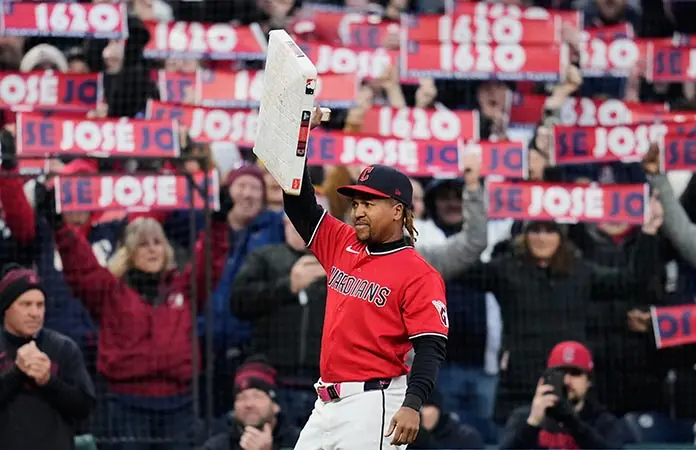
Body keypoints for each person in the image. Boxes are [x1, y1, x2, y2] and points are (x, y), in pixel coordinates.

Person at [276, 107, 449, 449]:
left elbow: (431, 346)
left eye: (369, 203)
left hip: (375, 401)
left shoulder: (419, 272)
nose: (358, 211)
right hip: (325, 401)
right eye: (356, 203)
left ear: (397, 210)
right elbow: (298, 204)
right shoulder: (343, 242)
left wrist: (413, 403)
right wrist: (300, 139)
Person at [0, 265, 96, 450]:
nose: (35, 313)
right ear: (6, 308)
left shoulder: (64, 348)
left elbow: (84, 408)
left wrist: (48, 381)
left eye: (40, 305)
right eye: (26, 304)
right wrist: (16, 372)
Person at [499, 341, 628, 449]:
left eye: (575, 373)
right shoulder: (523, 417)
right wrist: (532, 424)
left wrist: (573, 422)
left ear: (589, 381)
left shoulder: (603, 422)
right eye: (560, 373)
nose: (567, 381)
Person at [199, 356, 301, 450]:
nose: (249, 404)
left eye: (257, 396)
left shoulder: (300, 442)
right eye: (242, 398)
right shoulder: (216, 446)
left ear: (275, 405)